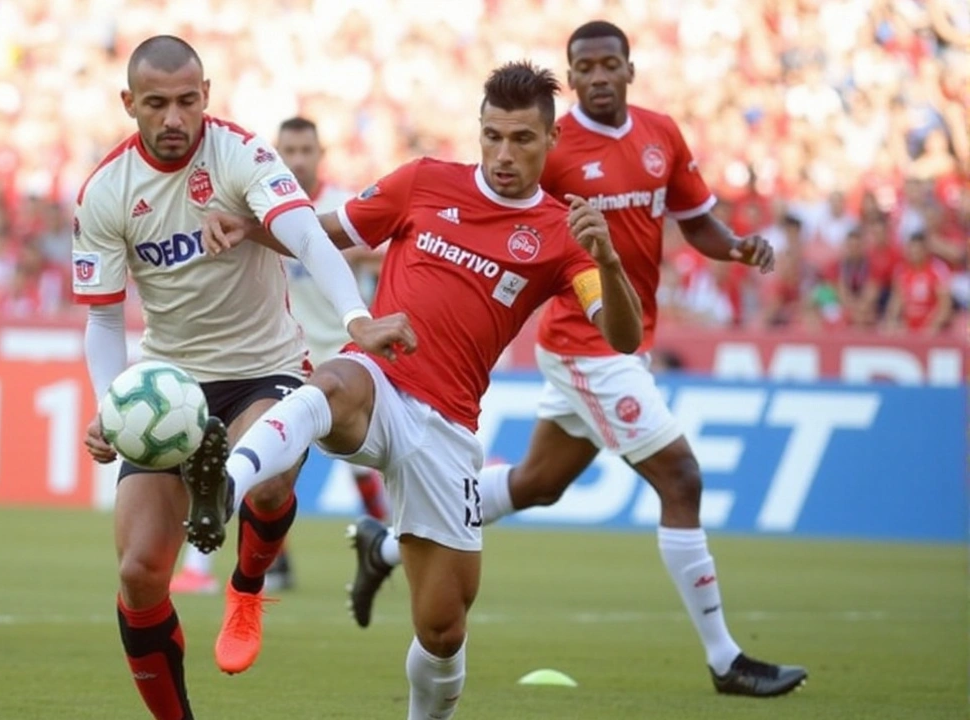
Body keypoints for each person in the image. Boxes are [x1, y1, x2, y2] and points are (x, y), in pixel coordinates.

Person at [351, 20, 808, 698]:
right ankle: (725, 659)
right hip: (585, 344)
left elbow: (694, 216)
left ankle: (384, 546)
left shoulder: (662, 136)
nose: (596, 76)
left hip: (628, 338)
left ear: (630, 69)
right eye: (583, 66)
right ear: (572, 75)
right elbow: (502, 207)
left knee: (538, 483)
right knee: (680, 478)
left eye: (607, 64)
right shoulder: (549, 150)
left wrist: (735, 246)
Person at [190, 60, 645, 720]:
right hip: (379, 379)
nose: (503, 153)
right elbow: (324, 234)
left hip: (448, 430)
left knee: (442, 630)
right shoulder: (426, 181)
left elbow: (623, 336)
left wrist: (607, 260)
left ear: (551, 143)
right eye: (492, 135)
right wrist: (246, 225)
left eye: (521, 139)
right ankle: (224, 485)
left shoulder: (562, 235)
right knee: (333, 381)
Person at [73, 36, 408, 720]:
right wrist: (110, 407)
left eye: (188, 101)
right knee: (139, 573)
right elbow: (105, 322)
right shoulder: (106, 191)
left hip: (267, 368)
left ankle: (247, 589)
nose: (174, 118)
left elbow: (310, 237)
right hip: (169, 390)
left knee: (274, 473)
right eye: (157, 103)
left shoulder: (244, 155)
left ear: (207, 96)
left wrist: (354, 318)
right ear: (128, 103)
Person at [167, 116, 389, 596]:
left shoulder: (337, 207)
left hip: (340, 352)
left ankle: (389, 545)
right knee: (249, 458)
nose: (299, 159)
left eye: (307, 149)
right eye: (289, 149)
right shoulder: (257, 203)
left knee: (359, 465)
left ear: (320, 154)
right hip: (280, 354)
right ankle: (226, 567)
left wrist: (356, 260)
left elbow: (386, 250)